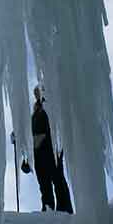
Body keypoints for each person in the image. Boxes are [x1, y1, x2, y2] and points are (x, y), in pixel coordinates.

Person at [31, 84, 73, 213]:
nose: (37, 95)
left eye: (39, 92)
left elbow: (41, 132)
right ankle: (49, 210)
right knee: (46, 186)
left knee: (57, 181)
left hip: (51, 150)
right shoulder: (36, 113)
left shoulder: (49, 109)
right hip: (40, 153)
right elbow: (33, 133)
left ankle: (63, 210)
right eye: (36, 93)